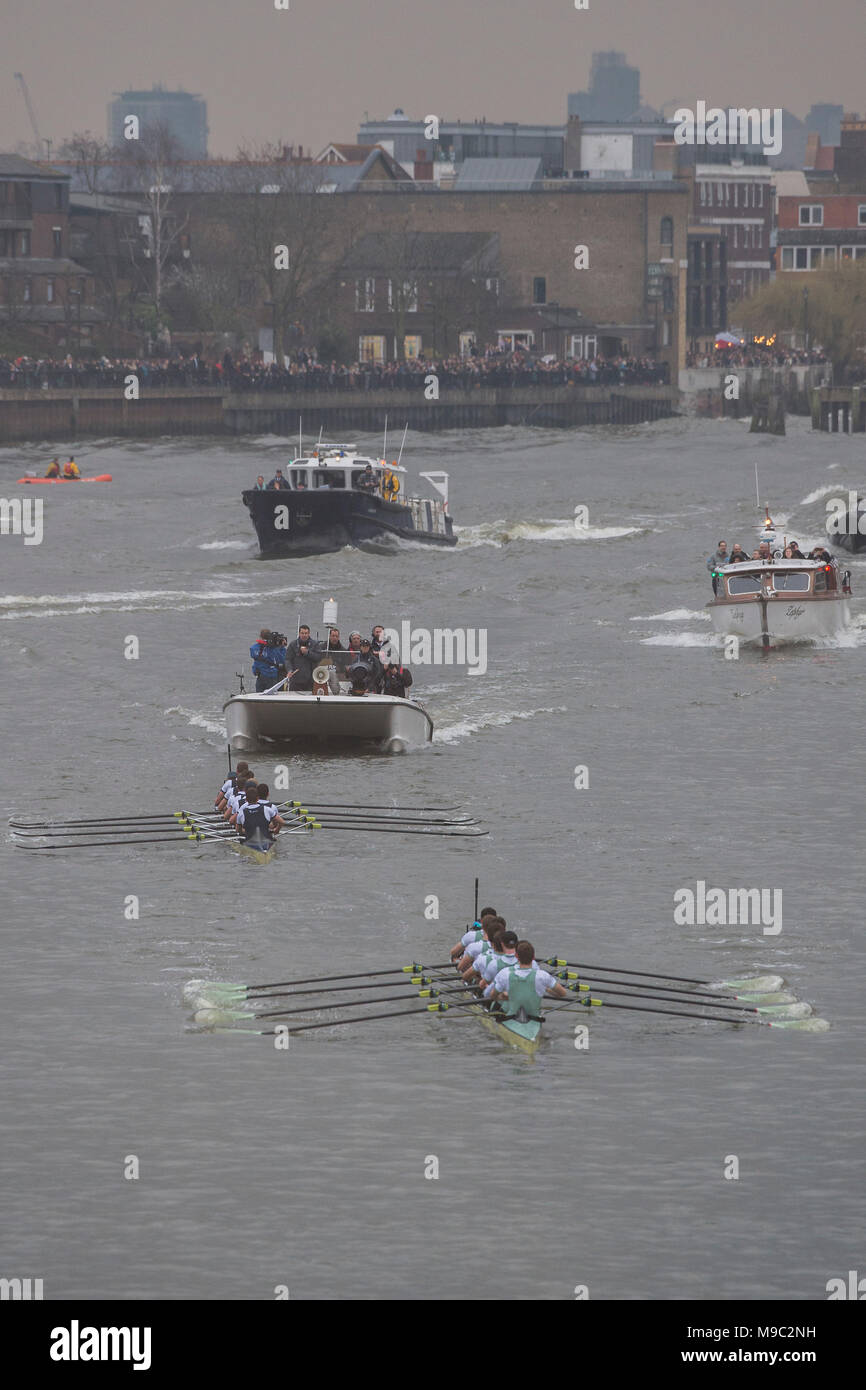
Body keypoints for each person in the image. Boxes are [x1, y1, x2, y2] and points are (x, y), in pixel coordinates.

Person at [489, 940, 571, 1018]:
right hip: (533, 1016)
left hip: (511, 1015)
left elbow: (492, 995)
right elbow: (563, 993)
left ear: (517, 956)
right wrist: (546, 989)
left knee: (497, 1005)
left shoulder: (505, 973)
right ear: (533, 957)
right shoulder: (543, 976)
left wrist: (503, 996)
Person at [286, 627, 320, 692]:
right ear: (299, 633)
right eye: (302, 633)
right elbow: (288, 659)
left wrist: (307, 653)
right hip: (295, 679)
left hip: (310, 680)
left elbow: (318, 657)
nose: (304, 635)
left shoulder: (315, 644)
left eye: (306, 633)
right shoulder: (293, 644)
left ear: (309, 634)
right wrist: (289, 670)